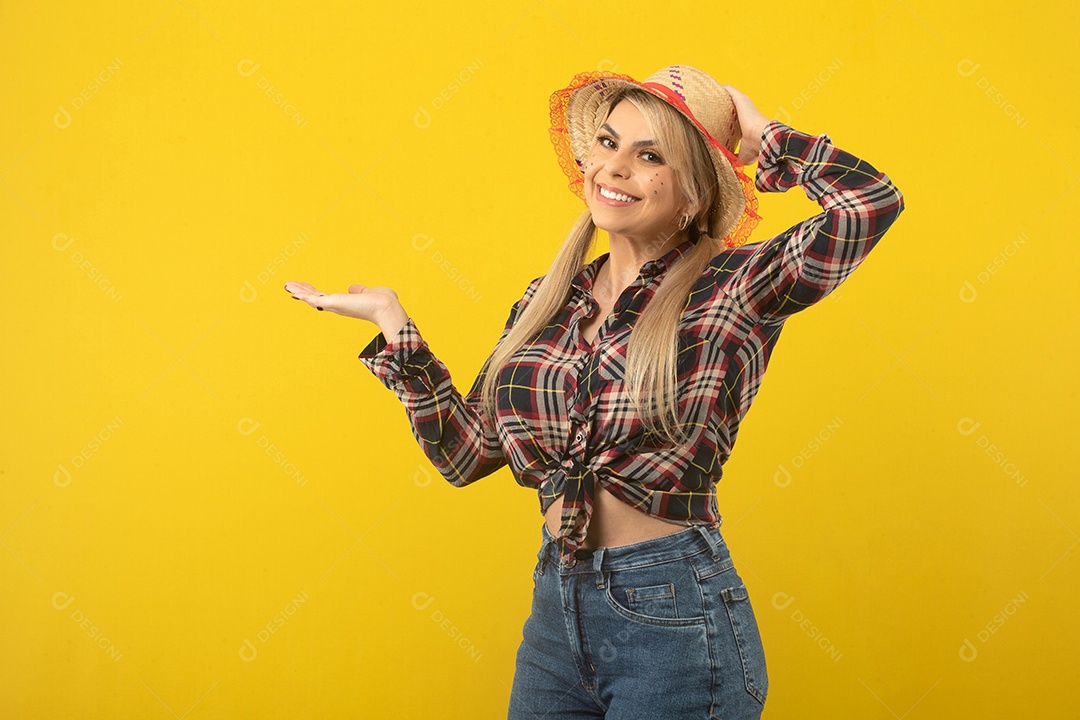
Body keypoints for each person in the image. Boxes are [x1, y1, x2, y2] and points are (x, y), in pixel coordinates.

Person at [285, 64, 904, 719]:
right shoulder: (547, 301)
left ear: (693, 193)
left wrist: (762, 136)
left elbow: (870, 202)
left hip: (674, 613)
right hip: (557, 608)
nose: (613, 169)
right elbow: (465, 456)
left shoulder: (736, 286)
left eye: (649, 155)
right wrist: (396, 331)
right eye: (607, 144)